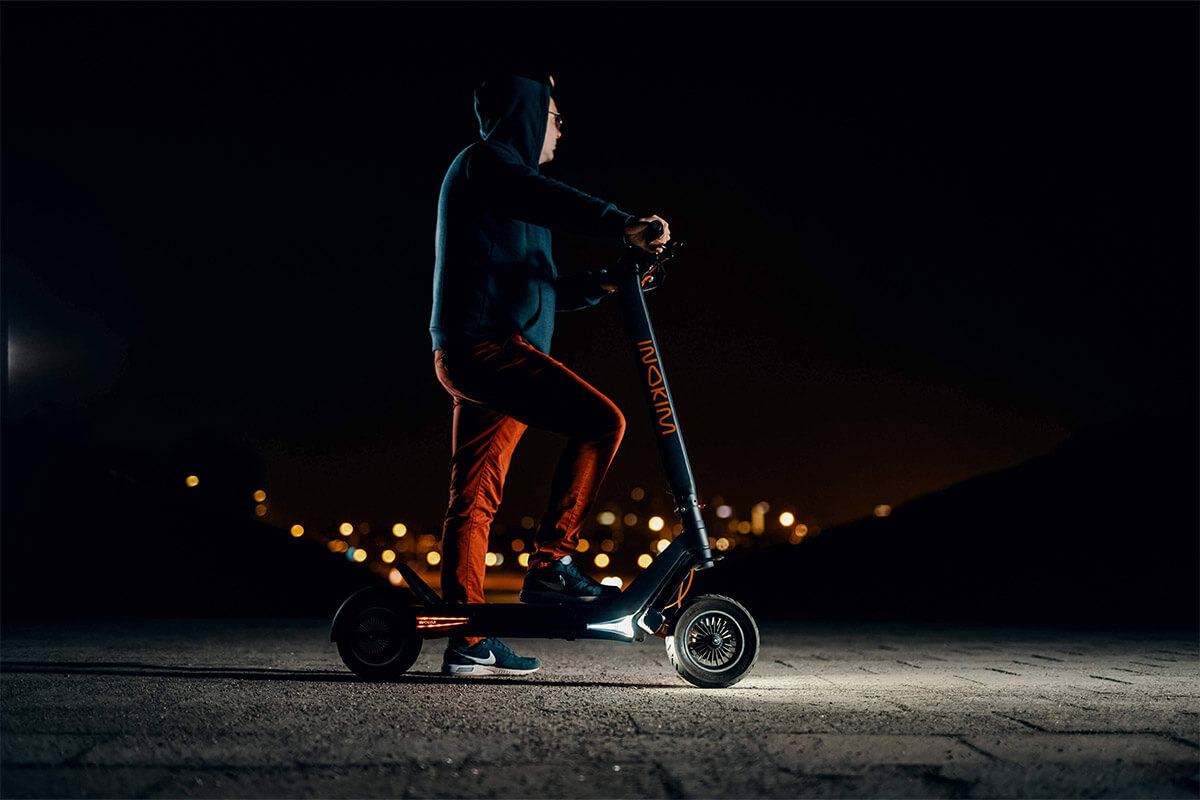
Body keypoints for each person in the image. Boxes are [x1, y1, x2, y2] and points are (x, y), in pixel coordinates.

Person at [430, 71, 669, 676]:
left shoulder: (509, 191)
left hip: (484, 354)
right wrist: (620, 221)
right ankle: (551, 565)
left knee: (473, 501)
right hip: (489, 350)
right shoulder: (488, 164)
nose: (561, 130)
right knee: (601, 422)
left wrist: (605, 281)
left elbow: (540, 288)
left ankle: (469, 641)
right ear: (528, 115)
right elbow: (543, 197)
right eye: (556, 118)